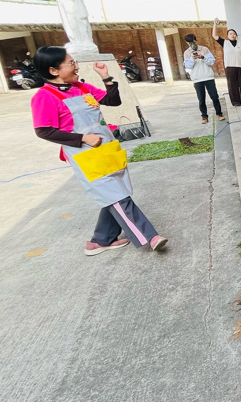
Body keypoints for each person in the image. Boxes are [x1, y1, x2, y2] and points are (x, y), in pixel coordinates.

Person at [30, 46, 167, 254]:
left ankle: (101, 240)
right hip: (84, 155)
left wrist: (106, 77)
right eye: (71, 63)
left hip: (105, 148)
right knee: (116, 196)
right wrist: (82, 138)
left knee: (114, 193)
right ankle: (151, 236)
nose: (76, 67)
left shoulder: (80, 87)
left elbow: (113, 101)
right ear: (53, 70)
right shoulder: (44, 97)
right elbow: (43, 131)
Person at [183, 33, 224, 124]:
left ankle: (219, 113)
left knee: (215, 97)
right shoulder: (187, 53)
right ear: (187, 43)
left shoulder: (204, 49)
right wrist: (192, 59)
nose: (192, 44)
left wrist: (203, 57)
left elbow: (211, 62)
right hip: (197, 78)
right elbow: (188, 66)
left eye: (193, 42)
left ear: (196, 40)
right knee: (201, 99)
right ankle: (204, 116)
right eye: (189, 43)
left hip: (208, 77)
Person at [211, 18, 241, 107]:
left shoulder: (240, 44)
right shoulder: (225, 42)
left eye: (234, 33)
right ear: (228, 35)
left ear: (236, 35)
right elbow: (214, 35)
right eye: (230, 34)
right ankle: (236, 102)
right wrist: (215, 24)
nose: (232, 35)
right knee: (232, 85)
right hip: (230, 67)